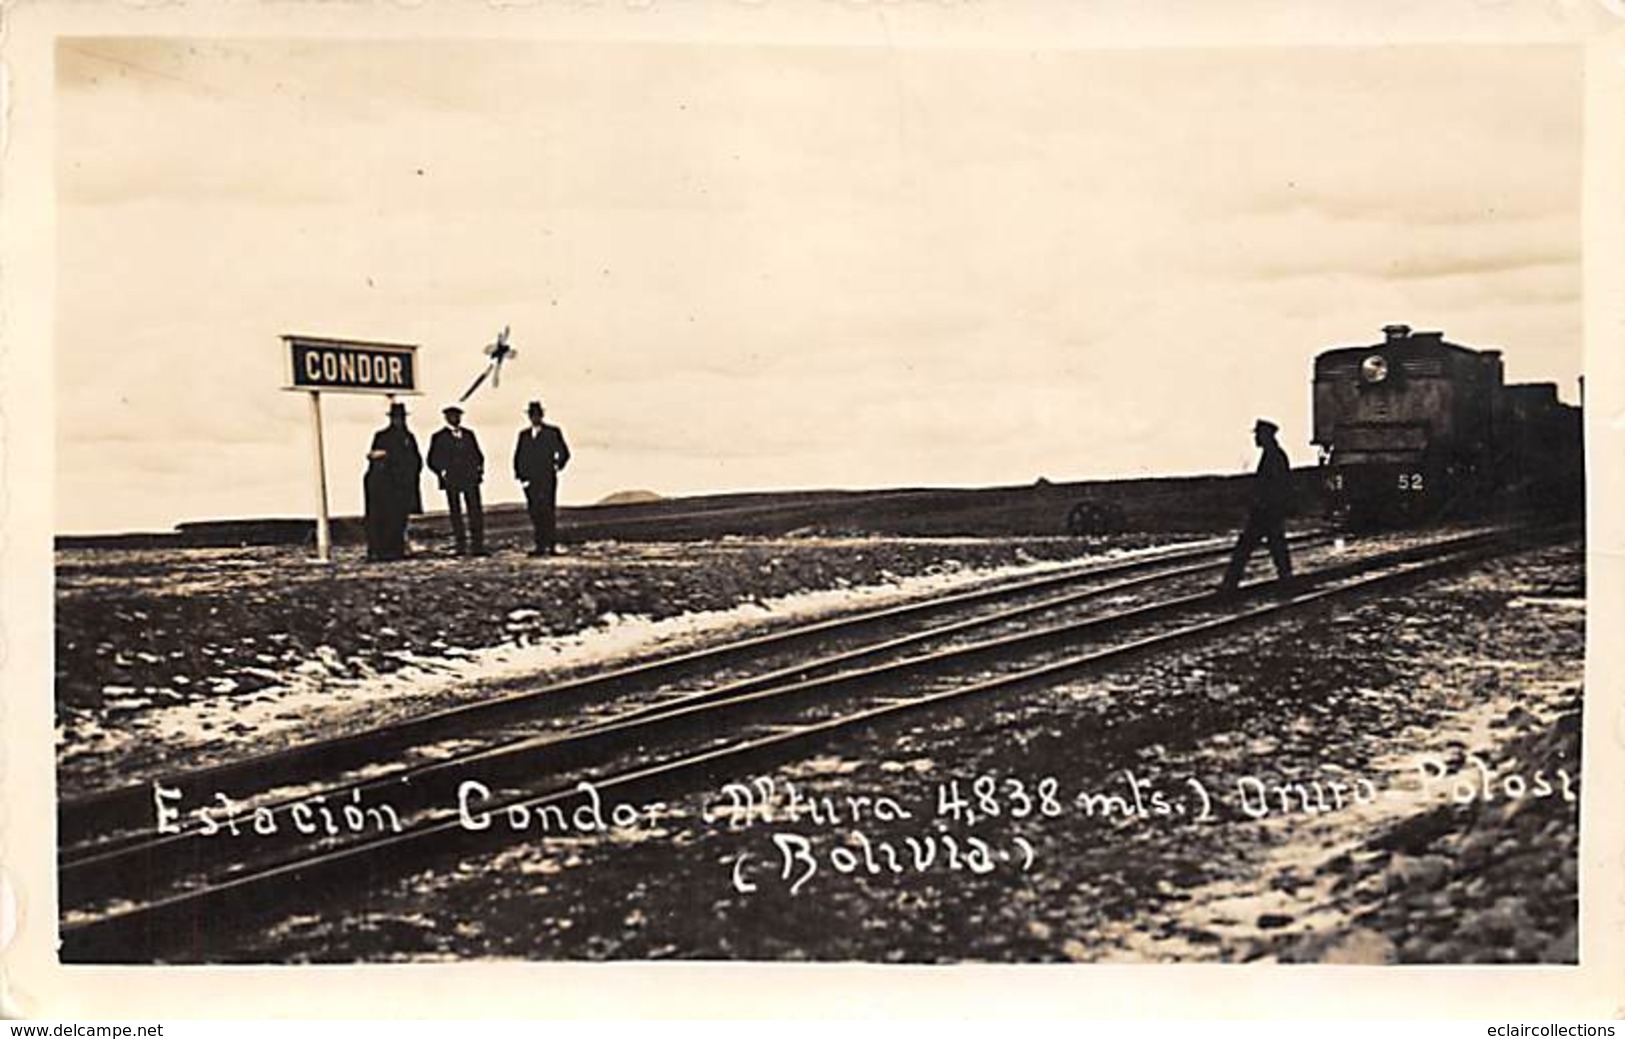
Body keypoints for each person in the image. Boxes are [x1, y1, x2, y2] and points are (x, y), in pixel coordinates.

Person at [1218, 418, 1294, 593]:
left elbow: (1275, 486)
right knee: (1276, 545)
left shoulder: (1273, 457)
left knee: (1247, 547)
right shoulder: (1274, 455)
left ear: (1266, 436)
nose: (1256, 439)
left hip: (1266, 510)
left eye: (1258, 435)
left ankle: (1230, 583)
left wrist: (1261, 504)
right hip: (1269, 510)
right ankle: (1286, 577)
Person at [363, 401, 423, 561]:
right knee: (382, 518)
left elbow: (416, 460)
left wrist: (411, 477)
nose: (399, 421)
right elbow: (376, 458)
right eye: (396, 417)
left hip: (404, 486)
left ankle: (396, 550)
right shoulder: (382, 436)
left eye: (401, 417)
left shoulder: (409, 437)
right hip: (385, 486)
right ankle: (380, 551)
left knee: (399, 519)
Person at [427, 405, 487, 556]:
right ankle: (461, 546)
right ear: (446, 418)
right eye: (452, 416)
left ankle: (477, 546)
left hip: (470, 478)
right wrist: (442, 472)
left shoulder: (468, 435)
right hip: (452, 479)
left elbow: (478, 455)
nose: (455, 419)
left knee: (475, 511)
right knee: (456, 513)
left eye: (457, 416)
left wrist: (478, 470)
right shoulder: (439, 437)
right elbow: (432, 459)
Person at [513, 400, 571, 556]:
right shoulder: (524, 435)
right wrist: (521, 476)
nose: (535, 417)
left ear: (542, 415)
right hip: (530, 480)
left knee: (548, 510)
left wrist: (558, 466)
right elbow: (518, 457)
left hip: (547, 477)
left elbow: (564, 452)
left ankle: (551, 546)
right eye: (532, 415)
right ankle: (540, 546)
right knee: (535, 511)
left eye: (537, 414)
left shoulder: (552, 432)